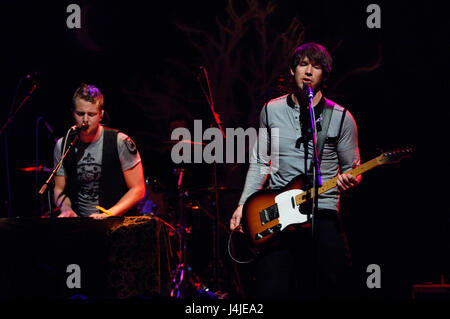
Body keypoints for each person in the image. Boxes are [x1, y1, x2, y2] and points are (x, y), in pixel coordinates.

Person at [229, 42, 361, 299]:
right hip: (280, 214)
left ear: (324, 75)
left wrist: (351, 180)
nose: (309, 71)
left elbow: (353, 169)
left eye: (316, 66)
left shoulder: (342, 117)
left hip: (322, 211)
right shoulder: (271, 110)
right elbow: (260, 161)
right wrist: (243, 204)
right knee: (271, 288)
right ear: (292, 70)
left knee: (335, 285)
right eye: (303, 64)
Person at [53, 83, 145, 219]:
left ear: (101, 115)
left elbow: (138, 189)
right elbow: (59, 188)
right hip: (80, 225)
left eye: (91, 114)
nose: (85, 120)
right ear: (73, 113)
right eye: (80, 114)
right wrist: (66, 210)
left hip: (115, 225)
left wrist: (108, 214)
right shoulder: (63, 145)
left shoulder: (120, 142)